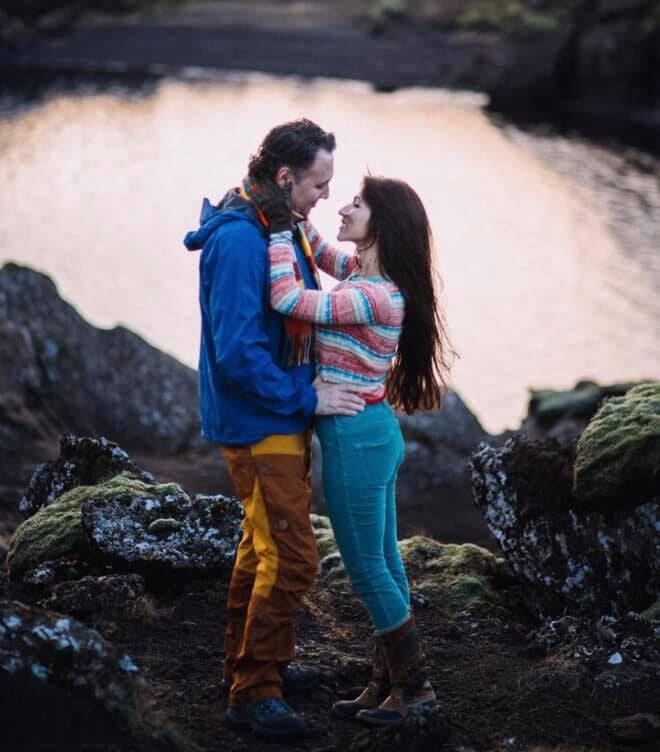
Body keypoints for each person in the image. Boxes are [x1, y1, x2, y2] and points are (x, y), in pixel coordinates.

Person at [183, 119, 365, 738]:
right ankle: (252, 691)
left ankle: (255, 665)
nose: (324, 197)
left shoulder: (279, 226)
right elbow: (237, 355)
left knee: (260, 547)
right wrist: (308, 392)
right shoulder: (240, 242)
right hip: (259, 422)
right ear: (284, 177)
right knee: (292, 559)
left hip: (274, 418)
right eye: (318, 184)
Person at [260, 173, 454, 726]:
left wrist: (275, 232)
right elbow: (323, 253)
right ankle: (387, 686)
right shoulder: (370, 276)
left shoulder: (373, 296)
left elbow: (288, 299)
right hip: (373, 433)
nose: (343, 206)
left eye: (357, 203)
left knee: (367, 569)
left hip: (356, 441)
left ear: (381, 225)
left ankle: (418, 694)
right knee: (387, 562)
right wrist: (297, 218)